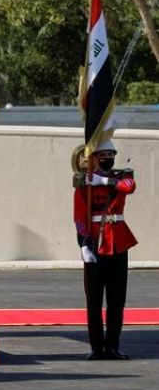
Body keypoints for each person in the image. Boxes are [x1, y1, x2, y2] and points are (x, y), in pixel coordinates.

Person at [73, 140, 137, 361]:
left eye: (111, 154)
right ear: (94, 158)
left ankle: (112, 347)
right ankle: (97, 347)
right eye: (104, 154)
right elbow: (79, 215)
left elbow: (129, 186)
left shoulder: (121, 176)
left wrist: (103, 180)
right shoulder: (84, 183)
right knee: (94, 300)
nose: (108, 158)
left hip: (118, 241)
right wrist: (83, 243)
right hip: (95, 242)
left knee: (117, 300)